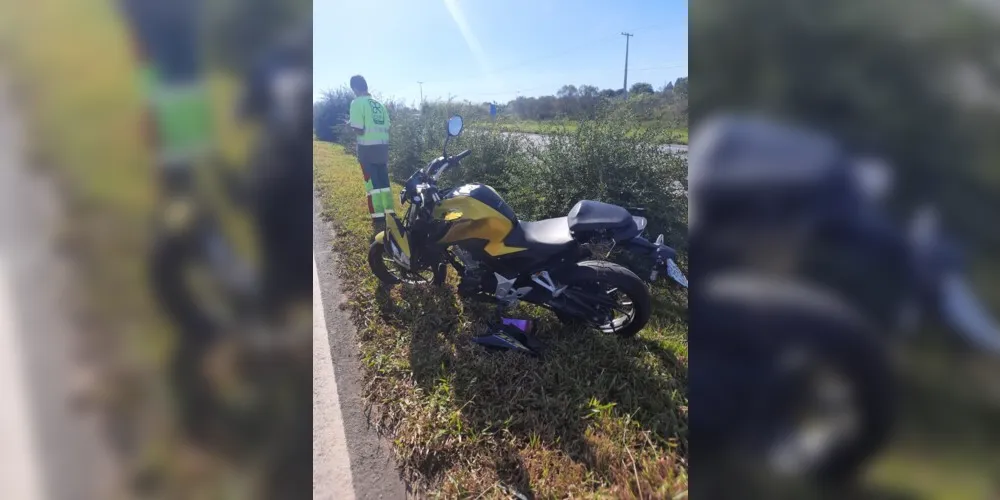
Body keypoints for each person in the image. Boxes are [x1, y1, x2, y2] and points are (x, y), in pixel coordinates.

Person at [348, 75, 394, 232]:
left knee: (372, 185)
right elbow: (387, 126)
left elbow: (359, 129)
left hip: (367, 150)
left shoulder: (357, 103)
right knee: (384, 184)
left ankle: (379, 220)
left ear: (354, 88)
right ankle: (390, 214)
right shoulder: (379, 104)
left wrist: (351, 125)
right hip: (382, 149)